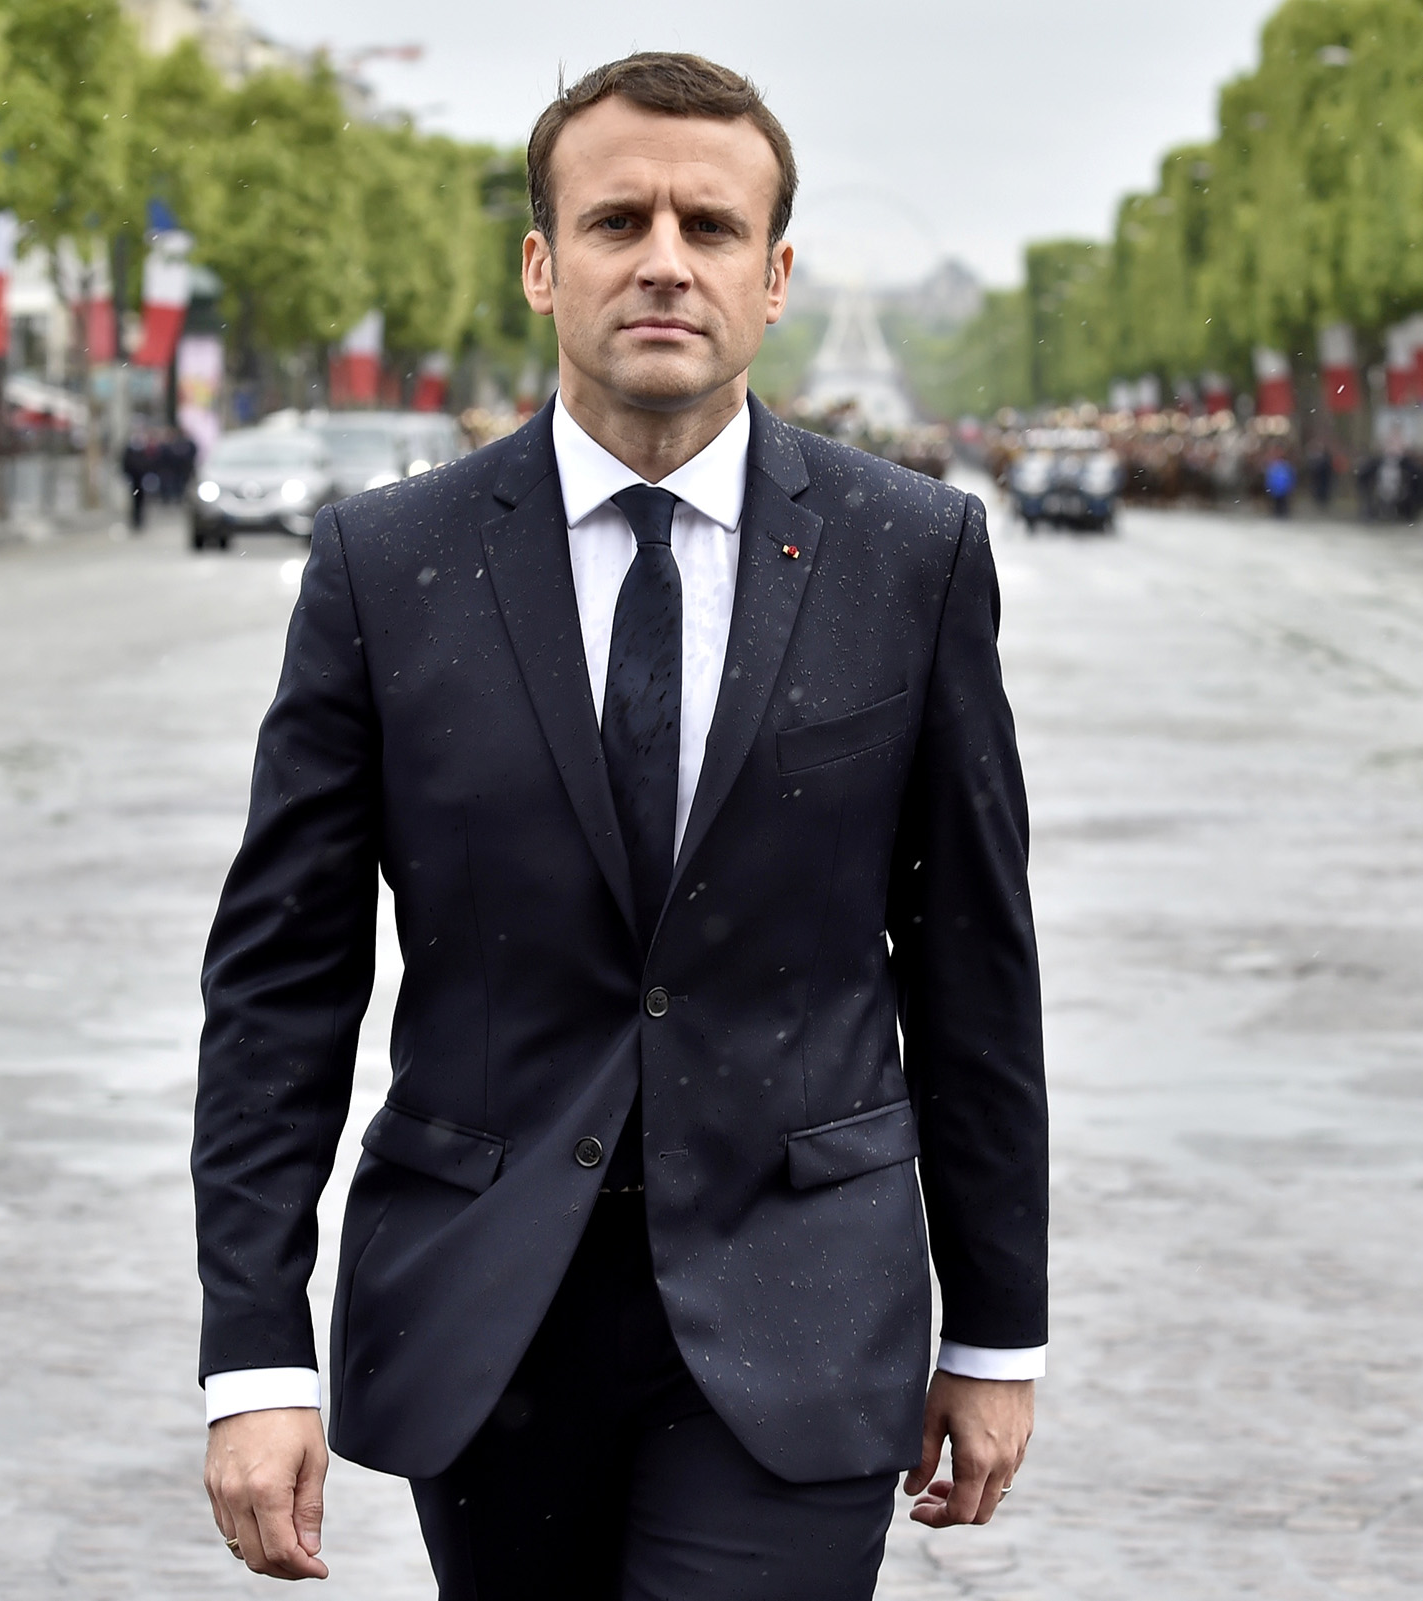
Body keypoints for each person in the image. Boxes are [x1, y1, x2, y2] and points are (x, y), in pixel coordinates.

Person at [195, 53, 1046, 1600]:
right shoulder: (385, 567)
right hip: (486, 1311)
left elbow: (972, 964)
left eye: (711, 227)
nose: (664, 258)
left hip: (802, 1306)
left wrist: (996, 1325)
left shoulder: (910, 555)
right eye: (617, 220)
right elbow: (282, 984)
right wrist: (253, 1352)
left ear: (775, 276)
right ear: (542, 263)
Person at [121, 428, 156, 531]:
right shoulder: (129, 450)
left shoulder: (143, 449)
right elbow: (125, 464)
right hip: (133, 480)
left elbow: (150, 462)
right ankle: (135, 520)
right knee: (134, 500)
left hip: (142, 480)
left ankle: (140, 520)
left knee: (142, 501)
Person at [1265, 452, 1294, 518]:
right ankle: (1277, 516)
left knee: (1284, 503)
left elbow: (1291, 477)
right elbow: (1269, 478)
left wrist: (1290, 487)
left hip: (1284, 489)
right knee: (1276, 504)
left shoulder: (1286, 466)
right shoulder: (1272, 466)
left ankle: (1284, 516)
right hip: (1275, 489)